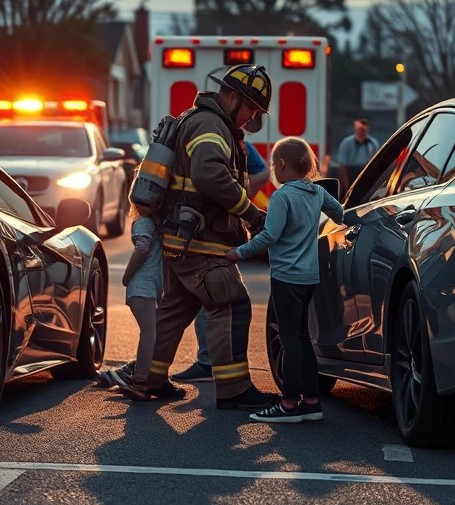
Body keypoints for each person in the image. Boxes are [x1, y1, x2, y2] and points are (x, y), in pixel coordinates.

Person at [124, 64, 279, 411]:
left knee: (175, 309)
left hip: (184, 239)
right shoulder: (210, 125)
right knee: (232, 304)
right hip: (202, 242)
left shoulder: (201, 120)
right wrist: (252, 215)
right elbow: (210, 175)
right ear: (233, 96)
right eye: (251, 108)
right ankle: (233, 389)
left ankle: (148, 378)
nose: (252, 117)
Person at [225, 137, 344, 423]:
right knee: (303, 338)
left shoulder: (281, 197)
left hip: (286, 277)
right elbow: (339, 212)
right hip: (309, 277)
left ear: (280, 165)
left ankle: (289, 404)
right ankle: (311, 402)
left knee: (289, 340)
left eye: (272, 164)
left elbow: (269, 236)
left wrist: (238, 253)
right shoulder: (316, 191)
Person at [173, 139, 268, 383]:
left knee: (209, 301)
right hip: (212, 235)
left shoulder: (218, 137)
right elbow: (261, 173)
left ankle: (208, 364)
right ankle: (216, 367)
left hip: (208, 237)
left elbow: (254, 175)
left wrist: (240, 206)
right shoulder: (230, 139)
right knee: (216, 302)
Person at [104, 180, 164, 400]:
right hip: (141, 288)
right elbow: (141, 249)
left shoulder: (153, 223)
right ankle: (139, 381)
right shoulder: (143, 223)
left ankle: (142, 378)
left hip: (147, 289)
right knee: (149, 335)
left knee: (153, 335)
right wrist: (127, 277)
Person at [337, 118, 380, 194]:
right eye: (360, 129)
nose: (362, 132)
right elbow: (342, 166)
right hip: (350, 173)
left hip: (366, 171)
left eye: (364, 130)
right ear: (355, 129)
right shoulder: (346, 143)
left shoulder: (373, 143)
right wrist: (346, 187)